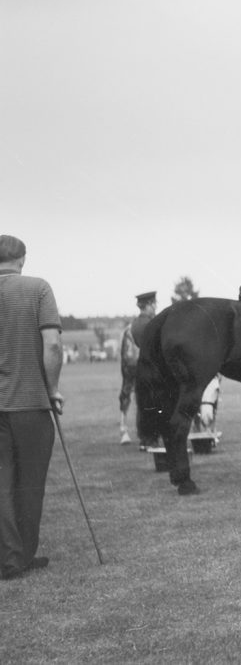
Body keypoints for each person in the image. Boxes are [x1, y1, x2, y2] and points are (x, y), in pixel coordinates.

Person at [0, 235, 63, 580]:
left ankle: (10, 558)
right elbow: (51, 345)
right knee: (29, 484)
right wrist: (52, 389)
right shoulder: (38, 288)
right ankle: (20, 555)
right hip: (30, 403)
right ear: (22, 259)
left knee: (2, 483)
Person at [119, 290, 157, 446]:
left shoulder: (130, 327)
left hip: (131, 368)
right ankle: (149, 436)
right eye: (154, 304)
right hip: (148, 370)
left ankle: (124, 429)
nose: (155, 307)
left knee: (128, 393)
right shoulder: (153, 324)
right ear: (148, 305)